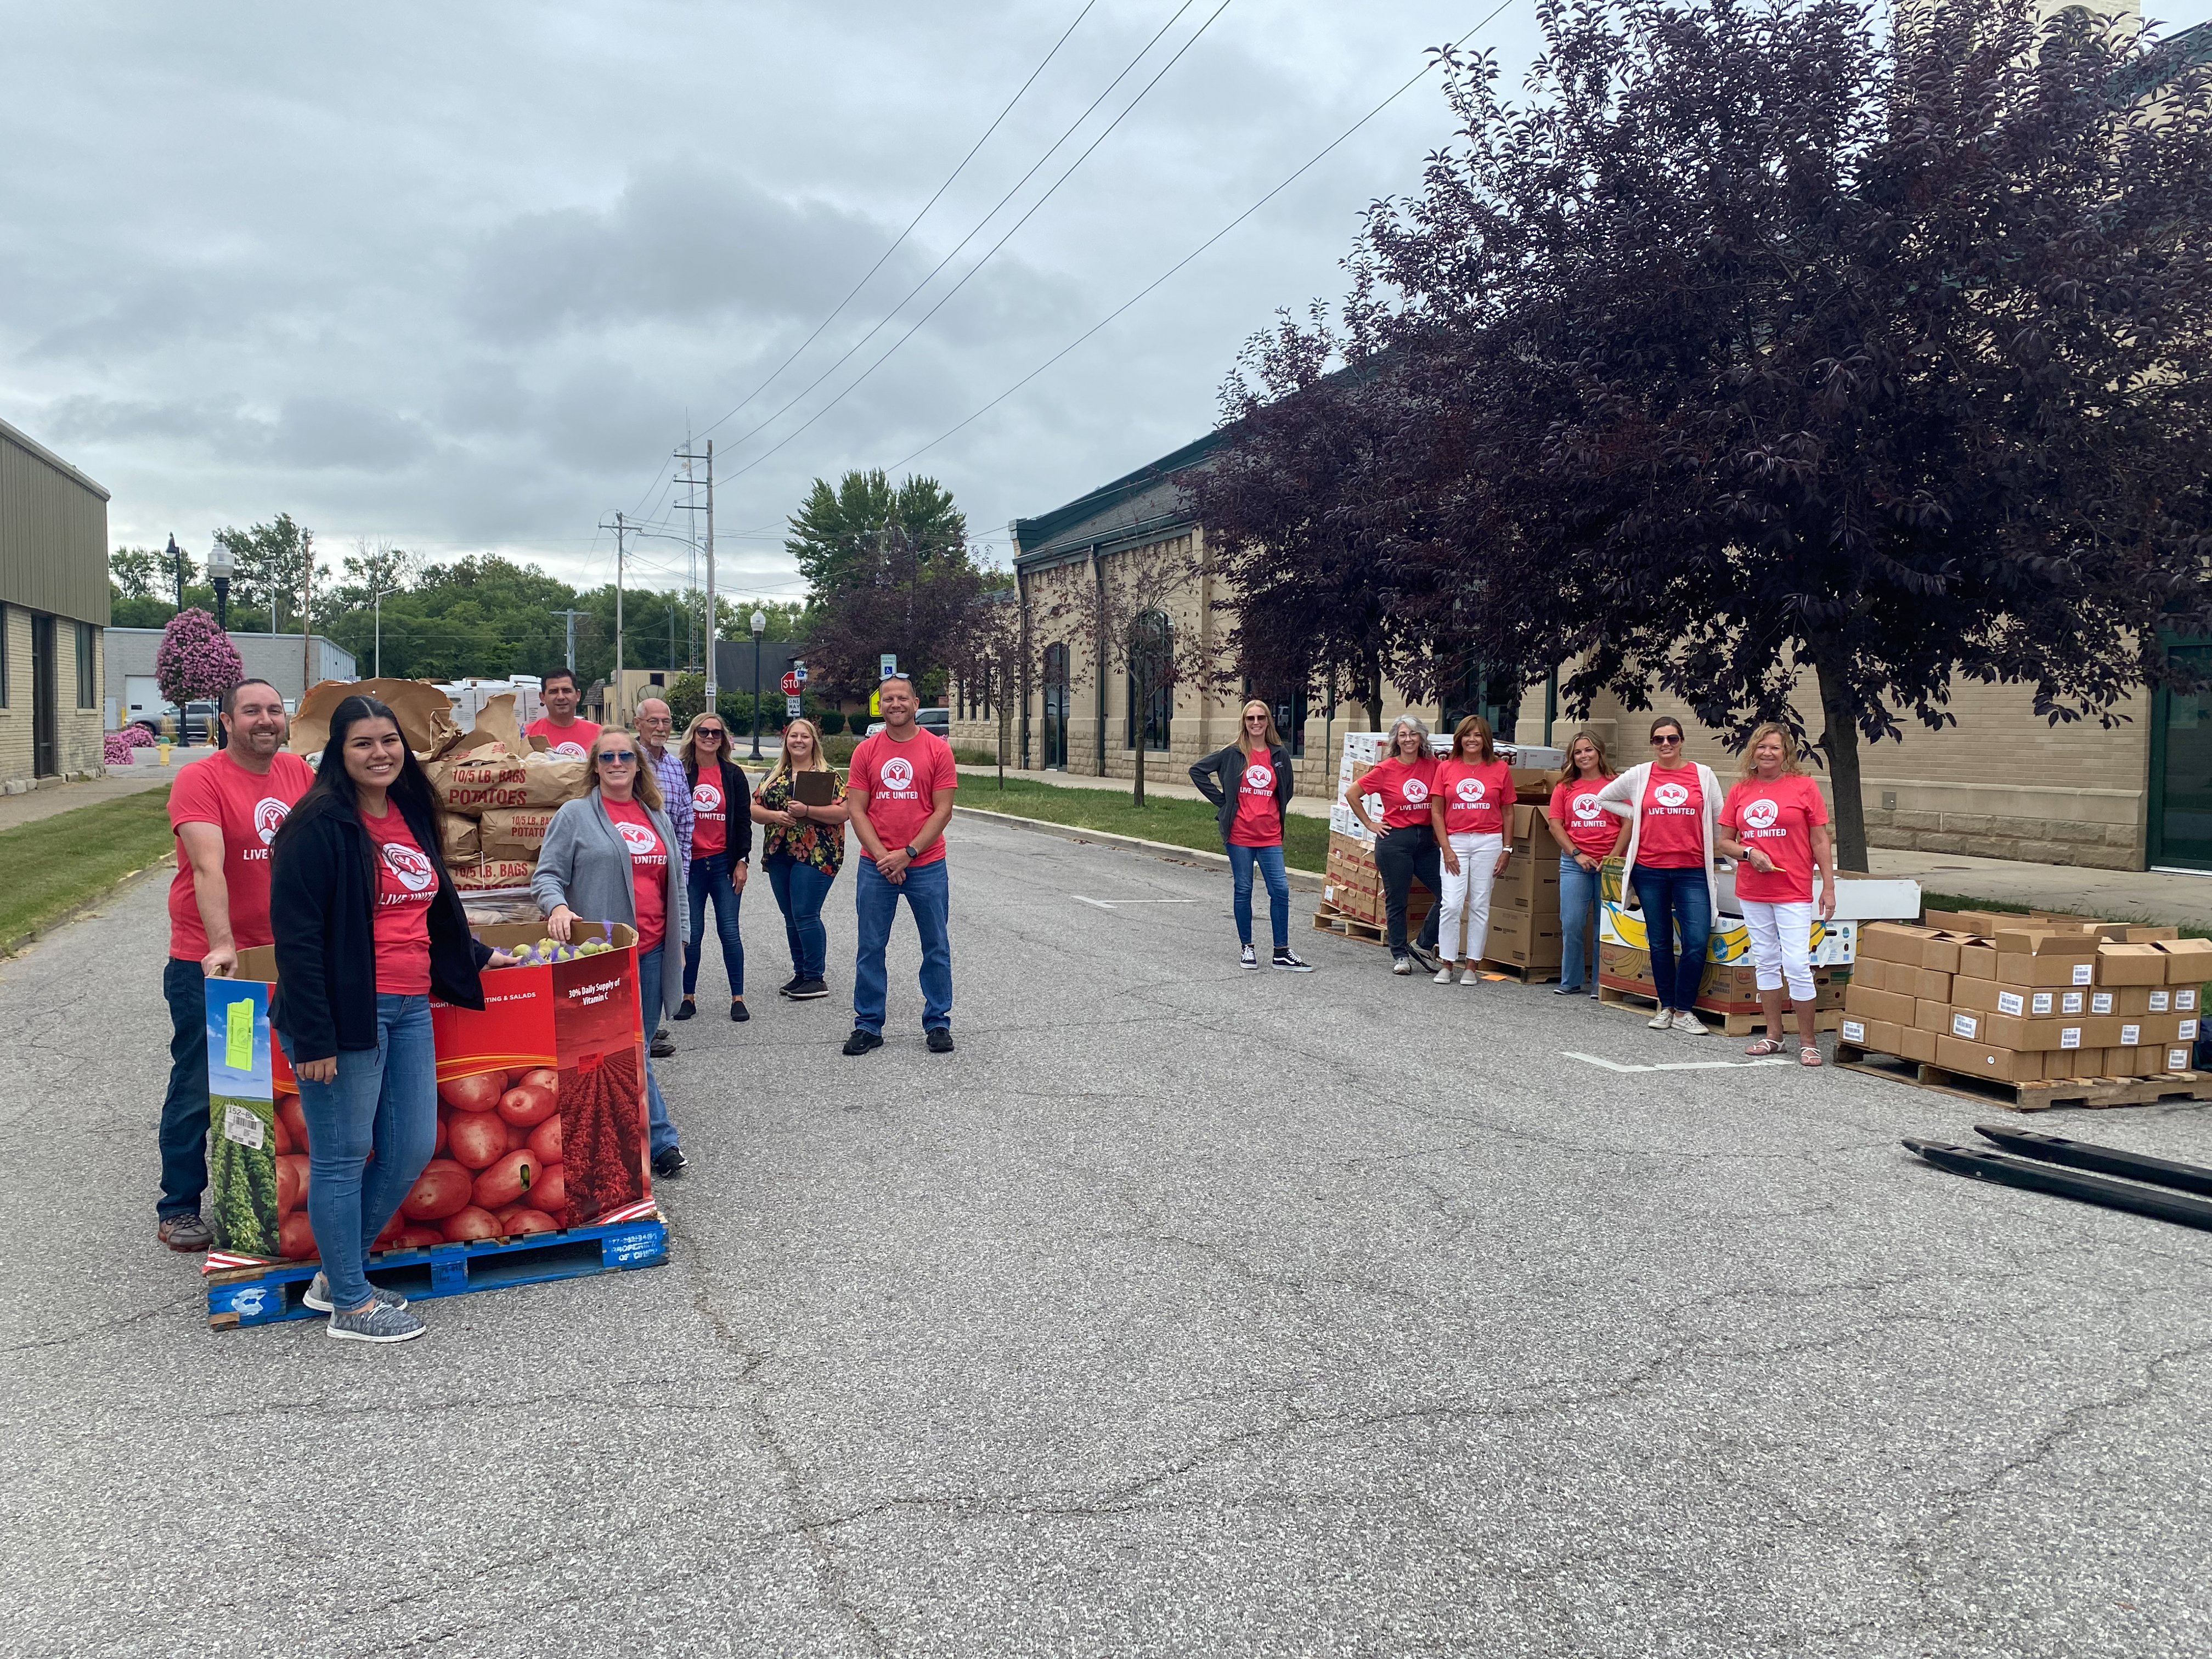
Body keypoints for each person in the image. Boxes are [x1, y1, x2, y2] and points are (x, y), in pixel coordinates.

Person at [268, 695, 501, 1343]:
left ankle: (333, 1275)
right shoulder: (317, 825)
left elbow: (429, 906)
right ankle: (349, 1303)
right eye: (364, 743)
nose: (381, 753)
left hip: (410, 1005)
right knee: (342, 1157)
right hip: (344, 1012)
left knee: (409, 1148)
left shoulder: (408, 811)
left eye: (389, 741)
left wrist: (479, 955)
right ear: (339, 755)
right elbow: (299, 939)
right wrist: (314, 1035)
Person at [155, 678, 315, 1251]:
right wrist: (225, 948)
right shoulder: (200, 779)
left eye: (275, 710)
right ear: (228, 720)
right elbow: (207, 867)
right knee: (206, 1079)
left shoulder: (298, 773)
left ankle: (266, 1193)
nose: (265, 720)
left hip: (287, 956)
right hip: (218, 963)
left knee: (283, 1079)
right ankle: (178, 1204)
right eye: (252, 711)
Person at [534, 729, 691, 1176]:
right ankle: (660, 1142)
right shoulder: (575, 815)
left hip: (655, 949)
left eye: (626, 755)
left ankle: (610, 1137)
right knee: (632, 1047)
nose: (617, 763)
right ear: (596, 766)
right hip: (604, 954)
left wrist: (681, 938)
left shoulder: (654, 814)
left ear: (639, 765)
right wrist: (559, 906)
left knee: (629, 1046)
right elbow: (546, 876)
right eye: (608, 757)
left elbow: (675, 883)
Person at [843, 676, 957, 1054]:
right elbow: (856, 810)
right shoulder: (866, 752)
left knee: (936, 945)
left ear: (915, 702)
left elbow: (943, 810)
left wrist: (907, 853)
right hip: (875, 866)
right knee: (871, 947)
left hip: (926, 864)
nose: (896, 703)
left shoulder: (938, 750)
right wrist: (882, 857)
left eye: (902, 698)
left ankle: (938, 1022)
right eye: (888, 698)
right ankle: (868, 1025)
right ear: (881, 705)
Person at [1718, 723, 1838, 1066]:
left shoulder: (1804, 787)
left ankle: (1808, 1040)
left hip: (1793, 889)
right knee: (1766, 961)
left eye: (1775, 747)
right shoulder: (1741, 790)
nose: (1767, 753)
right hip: (1753, 890)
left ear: (1786, 753)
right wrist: (1748, 853)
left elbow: (1819, 841)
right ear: (1752, 752)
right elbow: (1723, 841)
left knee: (1797, 963)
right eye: (1761, 747)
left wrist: (1828, 887)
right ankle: (1774, 1037)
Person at [1596, 716, 1725, 1034]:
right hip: (1649, 870)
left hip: (1693, 871)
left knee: (1696, 941)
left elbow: (1720, 821)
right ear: (1652, 743)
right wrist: (1636, 814)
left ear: (1682, 740)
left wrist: (1736, 860)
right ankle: (1667, 1006)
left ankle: (1685, 1011)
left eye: (1672, 738)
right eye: (1658, 739)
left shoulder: (1704, 775)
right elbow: (1604, 798)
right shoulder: (1641, 774)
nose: (1666, 744)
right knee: (1660, 942)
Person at [1189, 700, 1313, 971]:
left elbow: (1286, 791)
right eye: (1250, 719)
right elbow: (1197, 771)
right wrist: (1224, 802)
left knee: (1280, 890)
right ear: (1244, 723)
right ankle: (1247, 947)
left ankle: (1282, 951)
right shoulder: (1232, 753)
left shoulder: (1279, 754)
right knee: (1243, 890)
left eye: (1261, 718)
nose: (1256, 723)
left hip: (1270, 835)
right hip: (1240, 835)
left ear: (1268, 721)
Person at [752, 716, 848, 1001]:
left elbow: (843, 813)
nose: (798, 741)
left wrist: (807, 809)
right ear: (786, 741)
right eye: (794, 736)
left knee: (806, 913)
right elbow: (754, 808)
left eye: (805, 737)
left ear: (813, 742)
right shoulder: (774, 774)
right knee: (791, 916)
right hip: (779, 852)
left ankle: (816, 978)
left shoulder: (827, 776)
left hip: (817, 854)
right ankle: (801, 973)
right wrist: (775, 816)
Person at [1344, 716, 1442, 974]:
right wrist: (1370, 824)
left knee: (1448, 895)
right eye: (1402, 735)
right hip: (1395, 841)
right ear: (1395, 740)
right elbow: (1352, 794)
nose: (1408, 739)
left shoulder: (1434, 766)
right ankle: (1400, 955)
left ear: (1422, 738)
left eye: (1413, 734)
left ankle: (1422, 945)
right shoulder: (1386, 769)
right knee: (1398, 901)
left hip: (1427, 840)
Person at [675, 710, 753, 1023]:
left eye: (716, 733)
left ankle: (738, 998)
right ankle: (687, 997)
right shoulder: (681, 773)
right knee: (691, 934)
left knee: (729, 932)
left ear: (723, 740)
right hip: (691, 865)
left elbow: (743, 822)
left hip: (724, 863)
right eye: (703, 732)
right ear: (693, 735)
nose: (709, 737)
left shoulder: (733, 775)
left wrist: (742, 861)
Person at [1427, 715, 1514, 986]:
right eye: (1467, 735)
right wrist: (1447, 848)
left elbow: (1509, 812)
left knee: (1479, 905)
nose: (1472, 740)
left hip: (1489, 842)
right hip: (1455, 841)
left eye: (1477, 735)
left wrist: (1507, 849)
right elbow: (1437, 811)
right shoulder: (1446, 768)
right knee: (1451, 904)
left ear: (1486, 739)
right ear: (1459, 739)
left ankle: (1472, 966)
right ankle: (1447, 962)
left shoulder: (1500, 769)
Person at [634, 696, 696, 1054]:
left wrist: (681, 875)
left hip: (667, 876)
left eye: (666, 721)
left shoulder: (674, 766)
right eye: (653, 721)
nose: (660, 728)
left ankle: (649, 1029)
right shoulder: (626, 762)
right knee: (636, 951)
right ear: (638, 723)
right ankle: (637, 1034)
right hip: (636, 872)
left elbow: (686, 823)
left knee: (661, 952)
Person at [1546, 730, 1624, 997]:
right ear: (1572, 757)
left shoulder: (1616, 784)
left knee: (1605, 926)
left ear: (1600, 752)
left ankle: (1601, 982)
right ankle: (1571, 979)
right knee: (1571, 922)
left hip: (1609, 865)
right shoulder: (1564, 787)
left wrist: (1613, 857)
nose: (1584, 756)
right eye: (1578, 752)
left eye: (1589, 750)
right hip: (1574, 863)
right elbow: (1555, 824)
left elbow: (1629, 822)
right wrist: (1576, 853)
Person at [525, 667, 600, 760]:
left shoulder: (599, 734)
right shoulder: (527, 735)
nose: (561, 697)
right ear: (543, 697)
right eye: (554, 691)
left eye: (566, 691)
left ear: (578, 695)